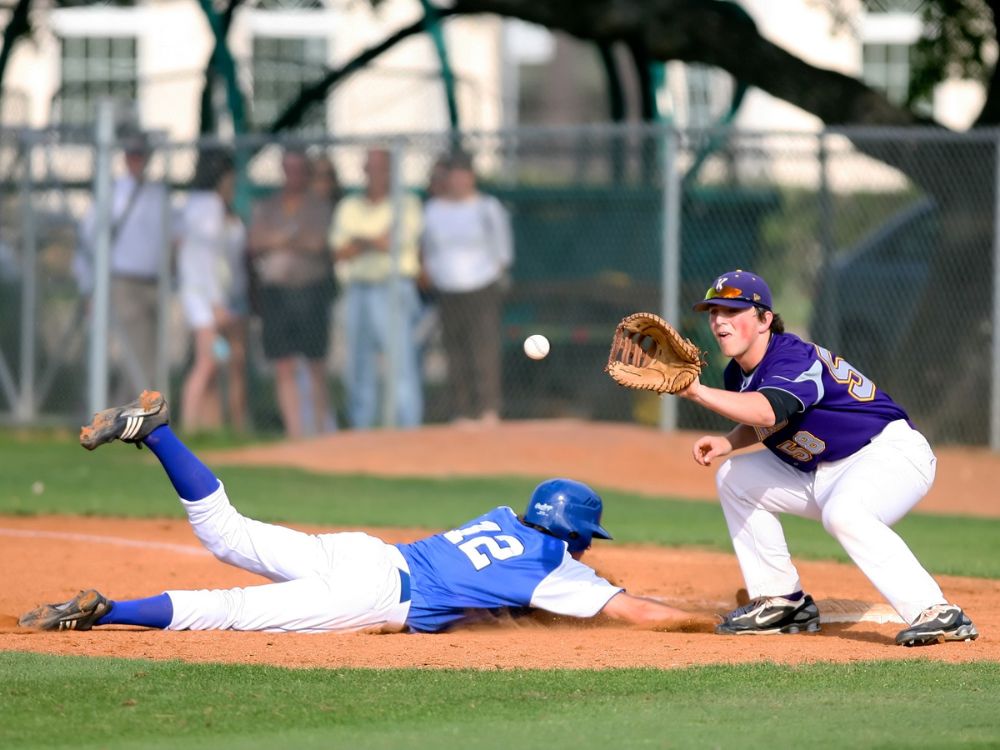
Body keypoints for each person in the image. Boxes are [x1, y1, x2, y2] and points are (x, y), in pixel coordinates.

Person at [19, 391, 710, 635]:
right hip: (374, 593)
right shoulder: (552, 567)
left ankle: (157, 432)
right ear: (573, 536)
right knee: (226, 608)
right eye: (585, 541)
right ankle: (106, 612)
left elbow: (496, 592)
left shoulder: (503, 518)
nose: (586, 553)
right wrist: (713, 622)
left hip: (365, 553)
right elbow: (634, 612)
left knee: (225, 532)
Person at [677, 269, 978, 646]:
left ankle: (937, 611)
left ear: (765, 319)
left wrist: (696, 392)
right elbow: (772, 419)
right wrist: (729, 443)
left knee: (845, 513)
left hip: (888, 453)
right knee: (734, 476)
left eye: (732, 310)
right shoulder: (736, 374)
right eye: (713, 312)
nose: (719, 320)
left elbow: (770, 410)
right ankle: (783, 602)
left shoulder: (793, 357)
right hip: (823, 470)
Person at [330, 148, 424, 429]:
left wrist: (359, 241)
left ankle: (407, 429)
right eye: (370, 167)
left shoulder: (406, 203)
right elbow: (340, 251)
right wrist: (373, 240)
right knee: (358, 364)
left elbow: (393, 243)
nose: (375, 173)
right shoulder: (349, 206)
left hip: (393, 288)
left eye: (381, 167)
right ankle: (362, 429)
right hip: (358, 288)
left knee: (400, 363)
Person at [74, 130, 170, 401]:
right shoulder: (112, 194)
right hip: (123, 282)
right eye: (132, 154)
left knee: (150, 353)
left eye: (141, 154)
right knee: (135, 353)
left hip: (154, 282)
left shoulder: (157, 193)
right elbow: (87, 242)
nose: (137, 160)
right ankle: (129, 413)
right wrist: (88, 286)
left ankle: (133, 412)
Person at [421, 152, 513, 426]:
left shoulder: (487, 207)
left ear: (472, 177)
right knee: (454, 350)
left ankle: (488, 409)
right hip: (447, 288)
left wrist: (493, 275)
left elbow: (502, 250)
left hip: (482, 286)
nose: (459, 181)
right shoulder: (434, 209)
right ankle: (462, 411)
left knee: (483, 348)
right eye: (454, 175)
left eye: (464, 174)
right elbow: (427, 250)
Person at [247, 148, 334, 438]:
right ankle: (296, 434)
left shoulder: (318, 206)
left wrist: (279, 239)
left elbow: (318, 243)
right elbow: (255, 241)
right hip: (276, 295)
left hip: (310, 293)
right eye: (289, 168)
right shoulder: (268, 205)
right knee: (282, 364)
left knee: (315, 364)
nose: (293, 175)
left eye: (299, 169)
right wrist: (291, 237)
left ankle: (320, 432)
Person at [177, 147, 248, 433]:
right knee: (207, 363)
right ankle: (189, 426)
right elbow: (206, 261)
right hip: (204, 298)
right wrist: (217, 303)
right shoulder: (209, 207)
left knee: (218, 361)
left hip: (205, 295)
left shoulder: (195, 205)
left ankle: (210, 426)